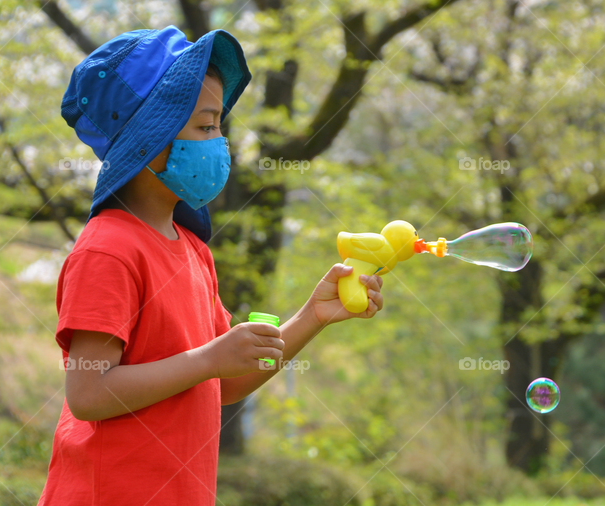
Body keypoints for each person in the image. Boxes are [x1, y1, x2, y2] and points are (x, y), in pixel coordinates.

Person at [38, 26, 384, 505]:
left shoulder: (192, 249)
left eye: (218, 125)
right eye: (205, 126)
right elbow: (89, 393)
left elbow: (223, 382)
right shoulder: (108, 249)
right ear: (148, 137)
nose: (218, 143)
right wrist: (207, 359)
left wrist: (313, 316)